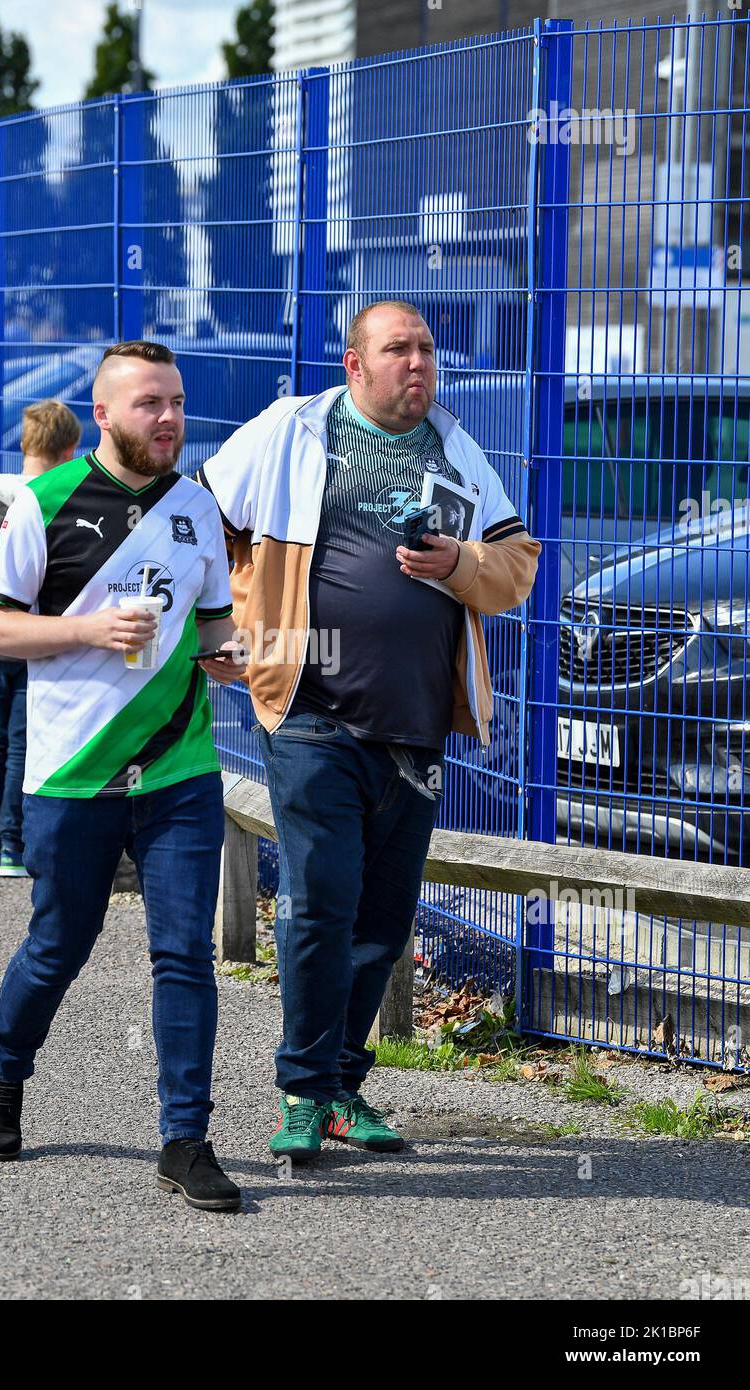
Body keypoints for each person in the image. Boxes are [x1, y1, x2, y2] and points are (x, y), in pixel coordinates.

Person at [197, 300, 541, 1162]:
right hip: (309, 710)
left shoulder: (455, 448)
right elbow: (200, 518)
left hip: (416, 727)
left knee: (382, 921)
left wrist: (459, 564)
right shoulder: (292, 430)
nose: (419, 363)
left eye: (426, 348)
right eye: (399, 350)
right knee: (321, 904)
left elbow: (518, 568)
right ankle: (304, 1092)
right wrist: (218, 628)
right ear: (356, 365)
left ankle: (345, 1082)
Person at [0, 341, 245, 1213]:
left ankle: (186, 1139)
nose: (168, 418)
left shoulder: (199, 506)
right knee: (60, 945)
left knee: (184, 955)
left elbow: (210, 634)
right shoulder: (44, 503)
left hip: (179, 770)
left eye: (176, 401)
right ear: (105, 416)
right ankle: (5, 1071)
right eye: (148, 405)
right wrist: (87, 633)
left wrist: (231, 660)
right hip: (71, 775)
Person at [0, 400, 82, 879]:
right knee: (23, 744)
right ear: (71, 449)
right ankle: (12, 845)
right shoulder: (60, 499)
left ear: (23, 443)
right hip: (33, 640)